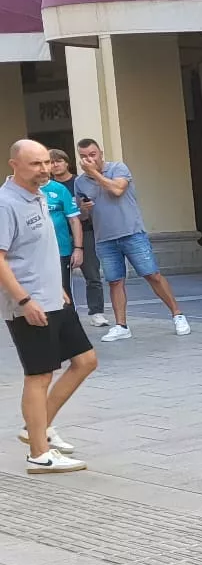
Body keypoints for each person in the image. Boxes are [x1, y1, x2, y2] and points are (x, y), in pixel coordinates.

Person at [5, 139, 97, 473]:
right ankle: (39, 454)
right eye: (36, 164)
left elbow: (38, 250)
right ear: (15, 164)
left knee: (85, 360)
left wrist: (57, 287)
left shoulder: (42, 195)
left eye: (46, 162)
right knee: (39, 374)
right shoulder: (6, 203)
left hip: (53, 297)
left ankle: (36, 428)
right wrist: (24, 300)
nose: (44, 169)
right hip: (28, 303)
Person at [73, 139, 190, 341]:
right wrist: (84, 209)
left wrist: (95, 174)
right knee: (115, 281)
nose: (88, 159)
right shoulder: (80, 182)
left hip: (131, 232)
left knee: (151, 274)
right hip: (105, 238)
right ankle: (121, 325)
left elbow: (118, 190)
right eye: (83, 156)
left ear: (101, 153)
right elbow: (82, 216)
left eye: (92, 154)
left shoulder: (118, 167)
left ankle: (177, 314)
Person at [47, 150, 105, 326]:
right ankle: (65, 312)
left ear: (67, 163)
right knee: (61, 277)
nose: (55, 165)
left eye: (59, 161)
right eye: (51, 162)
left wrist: (86, 208)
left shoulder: (78, 182)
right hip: (58, 235)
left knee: (91, 272)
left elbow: (91, 206)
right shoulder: (46, 187)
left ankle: (96, 312)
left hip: (84, 230)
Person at [37, 152, 83, 304]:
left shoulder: (59, 189)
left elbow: (74, 220)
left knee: (63, 290)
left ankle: (68, 324)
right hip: (36, 251)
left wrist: (78, 248)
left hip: (61, 249)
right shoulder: (26, 190)